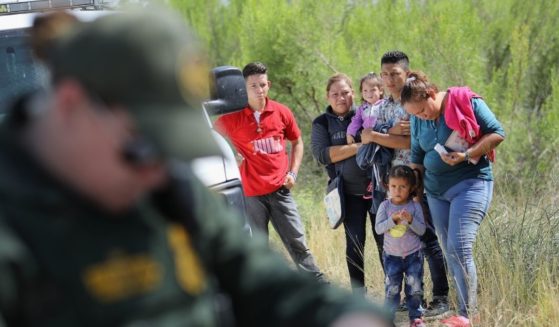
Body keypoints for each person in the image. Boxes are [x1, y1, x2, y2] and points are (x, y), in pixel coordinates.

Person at [0, 10, 393, 326]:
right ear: (73, 106)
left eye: (173, 151)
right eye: (146, 147)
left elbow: (261, 278)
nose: (159, 171)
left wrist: (351, 315)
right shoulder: (13, 223)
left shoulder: (170, 191)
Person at [401, 70, 505, 327]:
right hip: (436, 193)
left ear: (432, 94)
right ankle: (463, 311)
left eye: (423, 110)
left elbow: (497, 133)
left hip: (470, 184)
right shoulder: (418, 119)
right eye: (415, 115)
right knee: (450, 251)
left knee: (460, 247)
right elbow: (416, 155)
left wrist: (468, 152)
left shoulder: (466, 101)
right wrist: (414, 188)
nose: (421, 117)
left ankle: (468, 315)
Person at [213, 61, 325, 282]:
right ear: (244, 88)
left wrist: (293, 173)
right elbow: (207, 137)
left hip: (280, 190)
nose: (259, 90)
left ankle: (318, 286)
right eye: (253, 85)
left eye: (262, 84)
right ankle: (264, 295)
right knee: (257, 248)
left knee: (298, 242)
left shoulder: (281, 112)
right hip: (251, 194)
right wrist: (229, 153)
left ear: (269, 85)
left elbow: (298, 142)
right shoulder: (231, 118)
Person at [361, 50, 450, 317]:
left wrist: (375, 135)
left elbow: (410, 142)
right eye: (385, 74)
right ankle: (402, 297)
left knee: (427, 237)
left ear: (407, 73)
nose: (389, 79)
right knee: (393, 235)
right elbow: (373, 138)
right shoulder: (385, 105)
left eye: (395, 74)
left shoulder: (412, 102)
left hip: (416, 179)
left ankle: (441, 297)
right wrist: (379, 135)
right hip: (390, 184)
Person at [311, 73, 384, 293]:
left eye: (345, 93)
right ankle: (358, 295)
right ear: (327, 96)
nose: (341, 98)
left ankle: (394, 293)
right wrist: (360, 145)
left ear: (354, 93)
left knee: (385, 243)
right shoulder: (322, 123)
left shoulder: (366, 113)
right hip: (348, 195)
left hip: (378, 190)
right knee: (355, 244)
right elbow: (323, 155)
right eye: (335, 94)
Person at [375, 165, 426, 327]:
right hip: (391, 256)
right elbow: (378, 228)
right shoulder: (385, 206)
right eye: (393, 186)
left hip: (413, 256)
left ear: (411, 187)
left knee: (414, 288)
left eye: (402, 187)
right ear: (388, 186)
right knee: (392, 289)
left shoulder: (414, 207)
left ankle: (416, 317)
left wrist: (410, 220)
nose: (397, 190)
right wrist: (393, 220)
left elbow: (422, 230)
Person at [346, 72, 384, 145]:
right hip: (367, 141)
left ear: (381, 90)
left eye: (373, 90)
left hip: (382, 138)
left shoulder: (385, 105)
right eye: (365, 90)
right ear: (361, 92)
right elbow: (355, 121)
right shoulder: (362, 108)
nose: (369, 93)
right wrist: (350, 134)